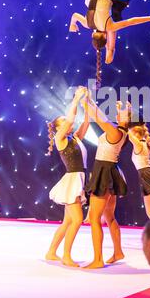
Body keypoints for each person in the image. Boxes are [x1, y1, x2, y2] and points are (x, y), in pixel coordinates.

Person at [80, 95, 131, 269]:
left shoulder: (115, 132)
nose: (118, 114)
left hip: (105, 171)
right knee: (109, 216)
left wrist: (85, 100)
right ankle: (118, 252)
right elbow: (100, 116)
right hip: (110, 171)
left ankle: (98, 259)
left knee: (94, 218)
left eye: (122, 114)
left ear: (127, 120)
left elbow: (98, 118)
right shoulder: (121, 131)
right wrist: (88, 102)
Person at [45, 86, 89, 267]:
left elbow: (86, 122)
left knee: (68, 221)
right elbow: (71, 118)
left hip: (78, 178)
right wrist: (76, 99)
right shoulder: (60, 139)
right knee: (78, 220)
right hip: (72, 181)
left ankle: (51, 252)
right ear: (58, 128)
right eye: (63, 122)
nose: (68, 123)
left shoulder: (75, 138)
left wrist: (87, 102)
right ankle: (67, 256)